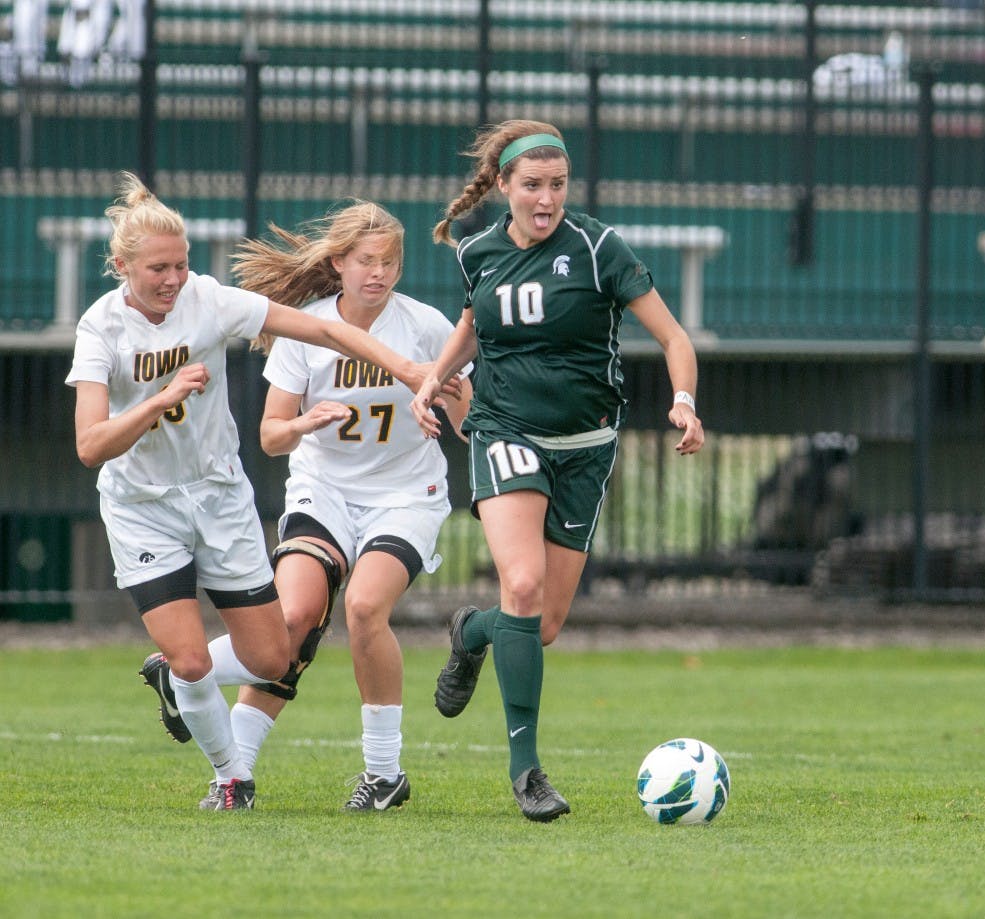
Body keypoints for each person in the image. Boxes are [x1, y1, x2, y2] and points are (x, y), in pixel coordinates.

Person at [66, 173, 437, 811]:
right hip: (141, 507)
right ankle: (232, 778)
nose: (173, 279)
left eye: (181, 265)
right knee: (188, 661)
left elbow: (319, 331)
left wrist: (406, 369)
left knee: (270, 655)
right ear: (122, 265)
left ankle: (217, 729)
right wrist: (163, 397)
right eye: (158, 268)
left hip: (218, 497)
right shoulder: (100, 329)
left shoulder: (208, 301)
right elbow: (91, 445)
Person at [410, 120, 705, 822]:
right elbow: (474, 324)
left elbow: (674, 336)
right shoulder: (478, 251)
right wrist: (434, 381)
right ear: (505, 187)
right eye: (533, 185)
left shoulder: (599, 247)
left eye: (558, 185)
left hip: (587, 445)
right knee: (521, 582)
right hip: (506, 429)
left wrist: (686, 402)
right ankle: (527, 771)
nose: (546, 199)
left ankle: (470, 632)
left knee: (536, 624)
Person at [200, 201, 471, 812]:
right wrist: (306, 423)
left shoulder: (426, 327)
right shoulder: (307, 328)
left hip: (405, 495)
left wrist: (451, 398)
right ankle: (233, 778)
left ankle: (383, 775)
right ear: (339, 263)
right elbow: (270, 436)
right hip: (322, 490)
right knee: (292, 617)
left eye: (390, 261)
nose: (378, 273)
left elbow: (468, 424)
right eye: (366, 261)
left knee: (366, 607)